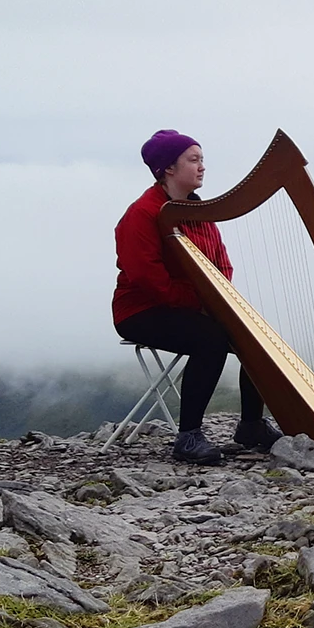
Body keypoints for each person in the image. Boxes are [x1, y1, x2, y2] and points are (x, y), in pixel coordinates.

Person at [114, 130, 282, 464]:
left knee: (255, 335)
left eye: (202, 159)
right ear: (168, 168)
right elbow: (147, 278)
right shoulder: (142, 213)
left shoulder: (197, 211)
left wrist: (217, 299)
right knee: (211, 339)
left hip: (191, 306)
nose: (202, 166)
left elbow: (222, 263)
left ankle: (251, 425)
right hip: (141, 310)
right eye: (193, 160)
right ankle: (188, 436)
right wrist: (201, 303)